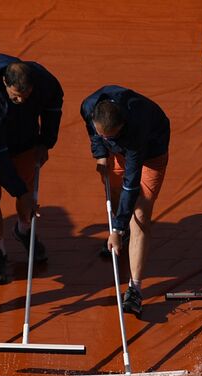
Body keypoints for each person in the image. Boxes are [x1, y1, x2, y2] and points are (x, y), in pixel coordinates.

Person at [0, 54, 62, 284]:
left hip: (24, 138)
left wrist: (45, 141)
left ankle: (24, 228)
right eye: (16, 97)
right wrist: (19, 191)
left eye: (26, 96)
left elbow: (53, 105)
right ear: (5, 85)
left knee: (27, 185)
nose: (21, 101)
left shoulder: (44, 81)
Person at [80, 86, 171, 317]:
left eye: (111, 136)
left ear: (121, 127)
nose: (105, 137)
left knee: (139, 216)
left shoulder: (135, 131)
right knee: (112, 189)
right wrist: (100, 152)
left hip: (151, 153)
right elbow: (93, 133)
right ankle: (123, 232)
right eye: (104, 135)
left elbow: (132, 183)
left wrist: (117, 229)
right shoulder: (89, 107)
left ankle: (135, 290)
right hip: (117, 150)